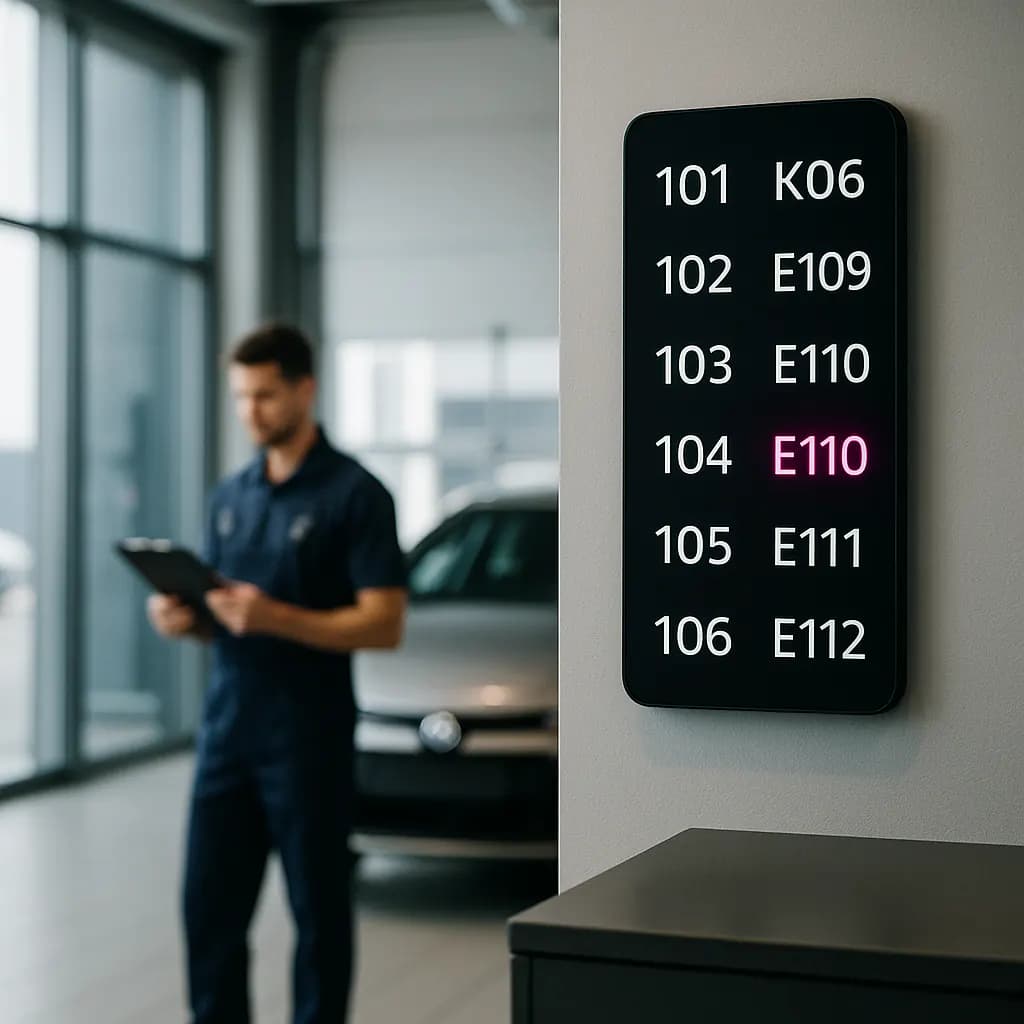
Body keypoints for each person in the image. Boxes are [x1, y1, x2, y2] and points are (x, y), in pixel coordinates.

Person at [147, 323, 407, 1024]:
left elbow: (384, 623)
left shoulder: (357, 495)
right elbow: (225, 614)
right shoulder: (231, 495)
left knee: (318, 919)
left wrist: (275, 617)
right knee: (208, 914)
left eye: (265, 396)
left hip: (308, 739)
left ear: (304, 389)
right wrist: (190, 619)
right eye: (241, 397)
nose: (251, 412)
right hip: (227, 735)